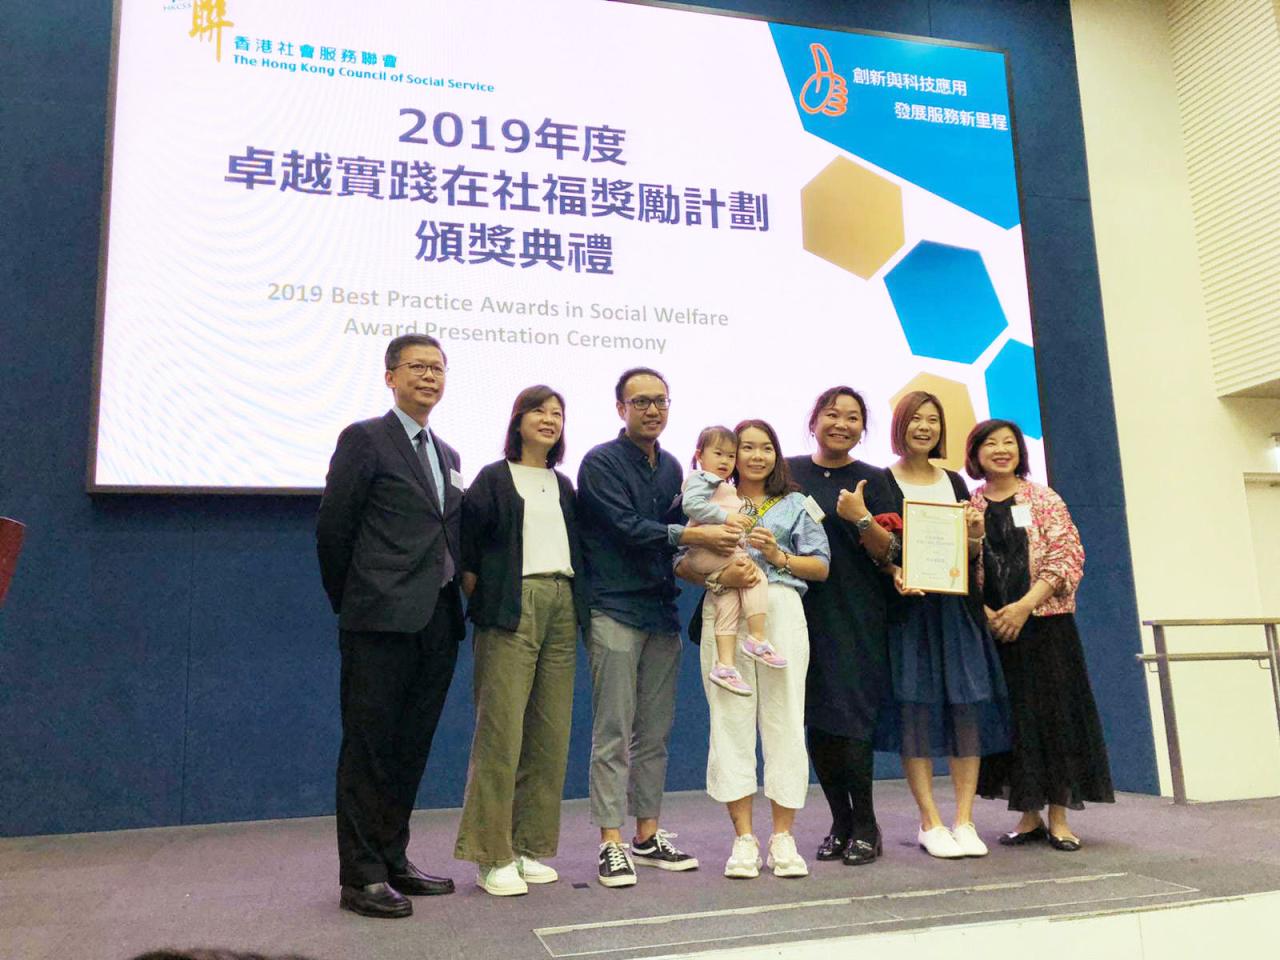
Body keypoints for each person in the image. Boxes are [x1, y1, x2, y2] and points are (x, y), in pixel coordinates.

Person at [316, 334, 464, 918]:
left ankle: (392, 857)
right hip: (378, 620)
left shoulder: (448, 454)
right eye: (418, 367)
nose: (429, 377)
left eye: (438, 368)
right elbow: (334, 529)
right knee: (369, 748)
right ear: (391, 377)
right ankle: (361, 876)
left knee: (410, 748)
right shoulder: (364, 439)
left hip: (438, 619)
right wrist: (356, 602)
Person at [577, 368, 741, 888]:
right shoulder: (599, 462)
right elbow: (626, 528)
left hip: (660, 612)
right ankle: (610, 842)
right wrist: (694, 536)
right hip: (613, 609)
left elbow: (686, 539)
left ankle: (646, 836)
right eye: (641, 401)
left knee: (655, 734)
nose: (652, 410)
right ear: (620, 408)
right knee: (612, 732)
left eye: (661, 401)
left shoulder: (673, 468)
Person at [679, 420, 830, 880]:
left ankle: (783, 837)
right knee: (730, 721)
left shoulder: (796, 503)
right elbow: (682, 560)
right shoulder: (708, 498)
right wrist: (717, 575)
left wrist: (780, 557)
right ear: (729, 455)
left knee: (785, 721)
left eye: (766, 448)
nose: (756, 456)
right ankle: (743, 838)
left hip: (780, 609)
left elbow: (821, 565)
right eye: (746, 448)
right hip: (725, 609)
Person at [454, 386, 586, 895]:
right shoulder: (493, 478)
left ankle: (528, 846)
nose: (549, 419)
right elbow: (468, 550)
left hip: (562, 602)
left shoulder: (563, 484)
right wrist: (489, 594)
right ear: (518, 420)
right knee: (501, 732)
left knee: (550, 734)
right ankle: (491, 856)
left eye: (558, 413)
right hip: (512, 606)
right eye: (539, 411)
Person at [966, 419, 1114, 850]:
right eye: (990, 443)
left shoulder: (1044, 498)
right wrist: (987, 612)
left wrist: (1024, 606)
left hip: (1046, 627)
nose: (1000, 450)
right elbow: (958, 564)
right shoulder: (969, 505)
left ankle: (1060, 819)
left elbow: (1067, 556)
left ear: (1020, 451)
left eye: (1008, 442)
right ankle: (1029, 816)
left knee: (1055, 719)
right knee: (1015, 722)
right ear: (975, 454)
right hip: (996, 631)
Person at [877, 391, 1010, 860]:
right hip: (910, 615)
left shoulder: (954, 481)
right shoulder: (882, 482)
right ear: (901, 424)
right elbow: (877, 553)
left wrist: (974, 537)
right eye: (916, 418)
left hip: (956, 612)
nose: (924, 427)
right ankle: (929, 821)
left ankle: (965, 820)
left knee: (967, 711)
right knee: (915, 713)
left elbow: (968, 554)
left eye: (933, 420)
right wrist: (894, 571)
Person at [786, 387, 896, 866]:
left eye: (853, 417)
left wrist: (862, 518)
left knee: (851, 720)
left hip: (857, 613)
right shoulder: (787, 473)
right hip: (797, 609)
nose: (841, 424)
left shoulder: (876, 479)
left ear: (862, 429)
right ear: (814, 421)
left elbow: (892, 553)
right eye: (832, 414)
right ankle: (840, 821)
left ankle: (867, 824)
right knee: (817, 719)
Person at [681, 425, 784, 697]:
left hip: (716, 553)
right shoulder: (703, 479)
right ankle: (757, 638)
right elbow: (691, 507)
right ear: (699, 455)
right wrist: (728, 519)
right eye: (718, 454)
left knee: (727, 600)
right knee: (755, 576)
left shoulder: (721, 486)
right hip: (709, 551)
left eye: (730, 455)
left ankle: (725, 666)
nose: (725, 461)